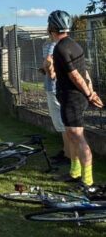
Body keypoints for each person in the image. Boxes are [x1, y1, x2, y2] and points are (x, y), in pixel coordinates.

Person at [48, 11, 103, 187]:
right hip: (71, 97)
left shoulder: (60, 48)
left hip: (73, 98)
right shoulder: (73, 45)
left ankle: (87, 180)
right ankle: (75, 172)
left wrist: (89, 94)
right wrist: (90, 91)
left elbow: (75, 76)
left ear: (52, 28)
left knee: (77, 137)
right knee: (72, 136)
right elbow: (83, 71)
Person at [40, 37, 69, 165]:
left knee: (62, 123)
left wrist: (49, 72)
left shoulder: (51, 44)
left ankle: (68, 155)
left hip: (53, 87)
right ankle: (65, 151)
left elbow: (49, 62)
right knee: (62, 123)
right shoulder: (57, 43)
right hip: (56, 86)